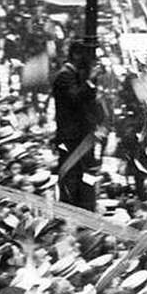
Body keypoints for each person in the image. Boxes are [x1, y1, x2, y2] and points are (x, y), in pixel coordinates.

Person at [51, 40, 103, 211]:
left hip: (79, 134)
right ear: (77, 55)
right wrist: (90, 81)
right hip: (71, 136)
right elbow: (75, 99)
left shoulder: (75, 75)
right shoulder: (65, 75)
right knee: (72, 175)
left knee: (85, 173)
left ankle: (85, 206)